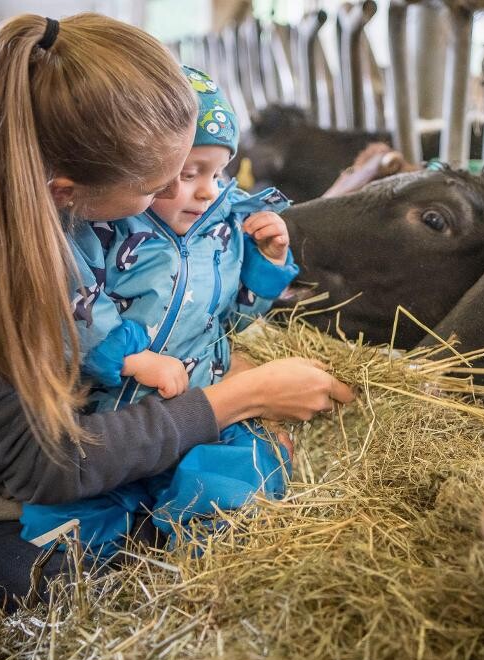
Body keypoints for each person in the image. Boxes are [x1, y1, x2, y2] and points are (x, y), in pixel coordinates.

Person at [0, 14, 354, 612]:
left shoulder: (35, 175)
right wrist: (240, 399)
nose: (187, 195)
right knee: (119, 599)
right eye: (158, 187)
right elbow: (42, 463)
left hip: (82, 429)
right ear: (65, 192)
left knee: (221, 518)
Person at [20, 67, 301, 554]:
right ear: (145, 166)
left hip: (203, 406)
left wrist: (266, 265)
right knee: (69, 520)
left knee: (246, 469)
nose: (208, 190)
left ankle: (196, 552)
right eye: (188, 173)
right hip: (108, 412)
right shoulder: (103, 221)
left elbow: (233, 321)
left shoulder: (226, 228)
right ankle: (124, 557)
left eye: (217, 173)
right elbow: (69, 294)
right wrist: (131, 358)